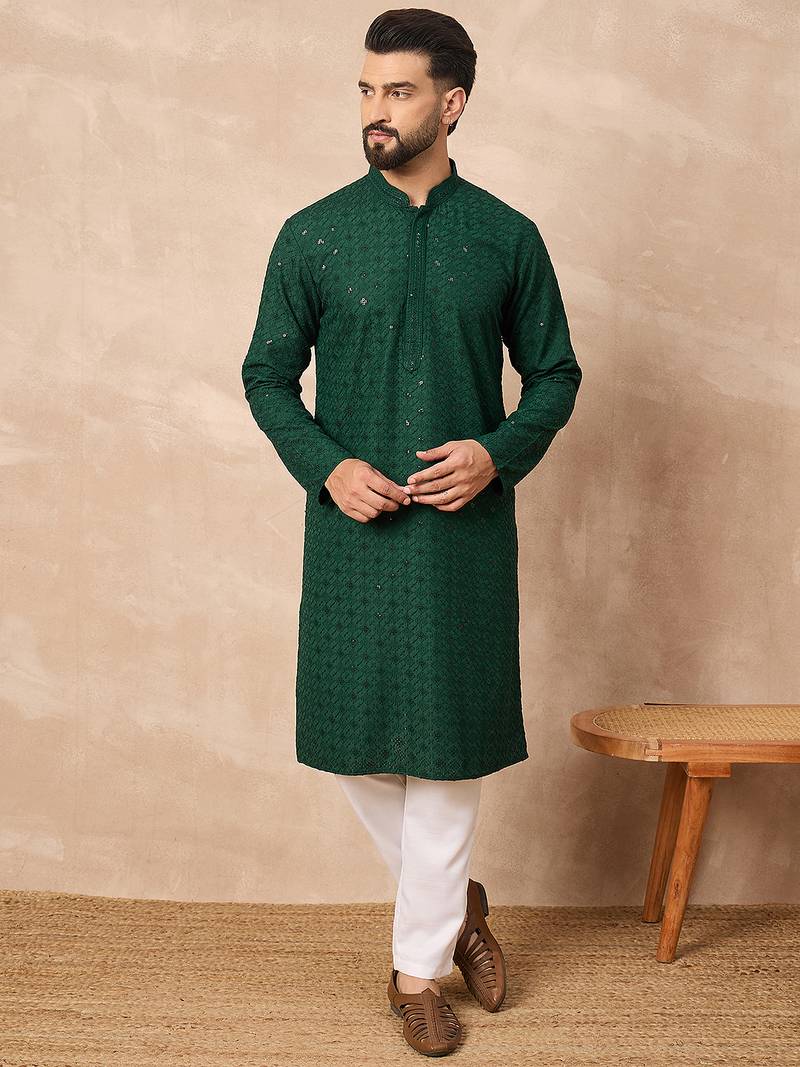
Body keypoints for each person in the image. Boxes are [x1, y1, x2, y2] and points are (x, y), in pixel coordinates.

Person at [241, 8, 582, 1056]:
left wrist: (496, 451)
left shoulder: (506, 236)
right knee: (350, 746)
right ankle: (454, 902)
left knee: (443, 755)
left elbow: (555, 374)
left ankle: (416, 974)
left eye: (397, 90)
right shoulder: (313, 233)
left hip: (459, 534)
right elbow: (265, 375)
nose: (374, 110)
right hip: (352, 530)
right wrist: (327, 465)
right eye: (365, 89)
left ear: (452, 102)